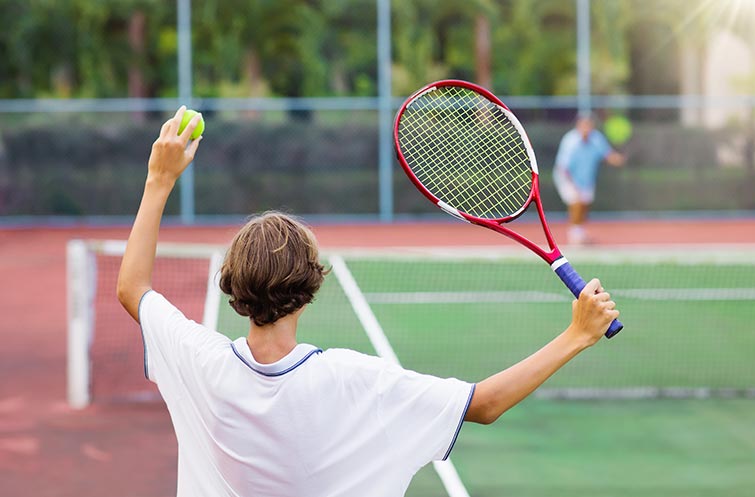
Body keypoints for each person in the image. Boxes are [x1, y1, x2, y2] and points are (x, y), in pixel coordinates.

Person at [116, 107, 620, 497]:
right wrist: (577, 335)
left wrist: (159, 179)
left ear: (232, 285)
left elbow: (132, 288)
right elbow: (482, 404)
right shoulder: (355, 381)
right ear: (311, 287)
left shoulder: (198, 361)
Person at [553, 113, 625, 245]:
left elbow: (607, 154)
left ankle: (579, 232)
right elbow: (563, 167)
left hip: (586, 178)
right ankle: (574, 236)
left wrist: (618, 159)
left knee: (584, 205)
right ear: (578, 125)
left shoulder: (597, 138)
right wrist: (574, 186)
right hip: (566, 177)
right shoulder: (570, 141)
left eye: (589, 125)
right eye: (584, 124)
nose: (586, 128)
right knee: (576, 201)